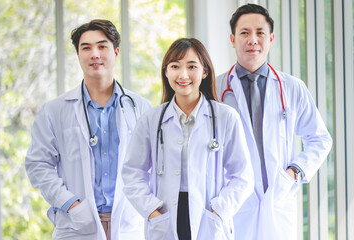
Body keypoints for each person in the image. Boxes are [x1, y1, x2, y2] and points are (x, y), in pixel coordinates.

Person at [25, 19, 151, 240]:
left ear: (116, 52)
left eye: (102, 46)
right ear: (78, 55)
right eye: (86, 48)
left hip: (129, 223)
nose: (95, 54)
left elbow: (152, 166)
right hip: (76, 224)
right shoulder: (55, 110)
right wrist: (71, 205)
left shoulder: (140, 107)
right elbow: (38, 165)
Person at [216, 4, 333, 240]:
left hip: (278, 199)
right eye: (244, 33)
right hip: (234, 201)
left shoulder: (291, 87)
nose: (252, 40)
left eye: (260, 32)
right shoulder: (215, 89)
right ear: (232, 39)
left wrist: (294, 172)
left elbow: (320, 138)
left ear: (271, 38)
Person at [121, 38, 254, 240]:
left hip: (208, 215)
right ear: (166, 72)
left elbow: (243, 176)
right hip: (165, 216)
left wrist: (219, 211)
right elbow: (132, 173)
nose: (183, 75)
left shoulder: (226, 117)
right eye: (175, 66)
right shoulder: (151, 119)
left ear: (205, 71)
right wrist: (152, 211)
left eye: (192, 66)